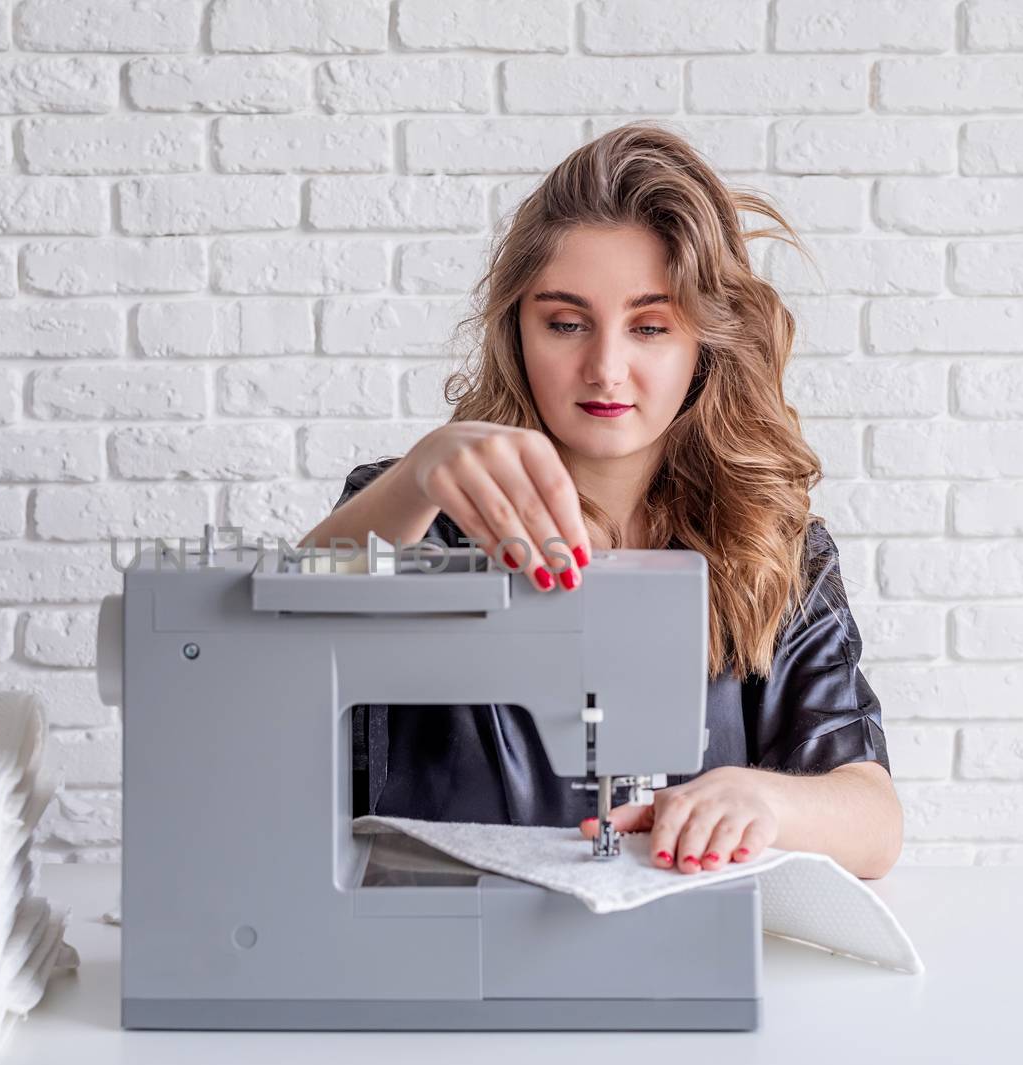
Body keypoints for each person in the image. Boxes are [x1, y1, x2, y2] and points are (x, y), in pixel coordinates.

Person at [299, 123, 903, 880]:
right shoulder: (417, 514)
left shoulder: (774, 550)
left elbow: (874, 821)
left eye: (650, 327)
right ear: (517, 332)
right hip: (438, 957)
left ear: (706, 344)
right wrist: (417, 477)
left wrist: (764, 801)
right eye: (566, 324)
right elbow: (275, 648)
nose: (606, 368)